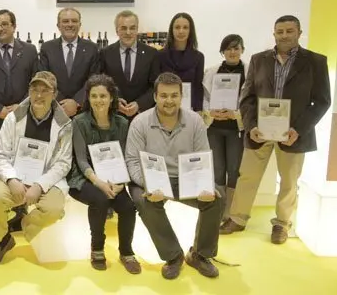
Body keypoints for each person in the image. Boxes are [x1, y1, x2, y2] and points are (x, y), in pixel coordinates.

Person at [220, 15, 331, 244]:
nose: (284, 35)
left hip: (293, 133)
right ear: (274, 34)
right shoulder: (259, 60)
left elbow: (322, 101)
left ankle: (282, 223)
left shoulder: (316, 62)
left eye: (289, 31)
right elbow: (247, 97)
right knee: (247, 176)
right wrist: (250, 126)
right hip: (260, 131)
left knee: (289, 180)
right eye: (280, 31)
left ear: (299, 33)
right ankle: (237, 218)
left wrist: (298, 129)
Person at [126, 72, 222, 279]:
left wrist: (206, 185)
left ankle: (200, 255)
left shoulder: (195, 121)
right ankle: (173, 256)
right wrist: (149, 185)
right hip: (150, 179)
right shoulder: (139, 122)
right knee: (142, 201)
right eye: (163, 95)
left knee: (217, 197)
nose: (169, 100)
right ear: (155, 97)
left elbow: (202, 157)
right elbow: (132, 163)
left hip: (185, 179)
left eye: (174, 95)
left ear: (181, 96)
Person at [0, 71, 73, 266]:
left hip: (47, 181)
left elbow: (63, 163)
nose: (39, 95)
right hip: (16, 178)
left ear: (55, 94)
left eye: (45, 91)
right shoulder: (13, 118)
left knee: (54, 209)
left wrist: (40, 185)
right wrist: (12, 180)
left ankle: (25, 223)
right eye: (34, 90)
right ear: (29, 91)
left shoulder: (64, 124)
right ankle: (2, 240)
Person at [67, 74, 140, 273]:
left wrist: (120, 183)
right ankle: (97, 248)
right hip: (85, 177)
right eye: (94, 96)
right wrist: (99, 183)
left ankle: (126, 251)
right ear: (88, 99)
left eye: (103, 96)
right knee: (99, 200)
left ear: (111, 98)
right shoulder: (79, 122)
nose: (99, 100)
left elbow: (125, 157)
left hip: (115, 179)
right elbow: (81, 159)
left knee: (127, 206)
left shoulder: (123, 123)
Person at [0, 9, 38, 230]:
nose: (0, 28)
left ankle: (20, 213)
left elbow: (35, 83)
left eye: (4, 24)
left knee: (22, 165)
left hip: (23, 119)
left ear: (14, 26)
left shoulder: (29, 51)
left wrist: (19, 107)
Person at [202, 34, 247, 221]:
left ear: (242, 50)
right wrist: (211, 112)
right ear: (223, 52)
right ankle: (219, 210)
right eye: (228, 48)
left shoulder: (250, 72)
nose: (232, 52)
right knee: (218, 169)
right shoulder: (212, 72)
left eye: (236, 48)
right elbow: (204, 98)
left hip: (236, 129)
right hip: (215, 128)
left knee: (234, 170)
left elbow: (252, 100)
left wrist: (235, 114)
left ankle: (231, 212)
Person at [39, 8, 100, 118]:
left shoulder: (92, 48)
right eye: (65, 21)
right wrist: (60, 103)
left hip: (83, 112)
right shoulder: (47, 48)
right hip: (54, 111)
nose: (70, 24)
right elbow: (45, 79)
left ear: (80, 24)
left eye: (74, 21)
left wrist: (76, 102)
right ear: (58, 25)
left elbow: (93, 79)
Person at [100, 10, 160, 119]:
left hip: (143, 116)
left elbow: (155, 86)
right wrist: (114, 101)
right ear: (116, 30)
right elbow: (102, 84)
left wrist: (139, 104)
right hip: (113, 117)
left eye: (132, 28)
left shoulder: (152, 54)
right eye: (123, 28)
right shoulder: (105, 53)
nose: (128, 32)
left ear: (137, 29)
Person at [158, 13, 205, 112]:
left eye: (185, 27)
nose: (181, 31)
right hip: (165, 109)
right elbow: (156, 86)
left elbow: (198, 87)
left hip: (190, 111)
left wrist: (199, 111)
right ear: (172, 30)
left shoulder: (199, 57)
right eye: (177, 27)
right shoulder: (160, 56)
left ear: (190, 30)